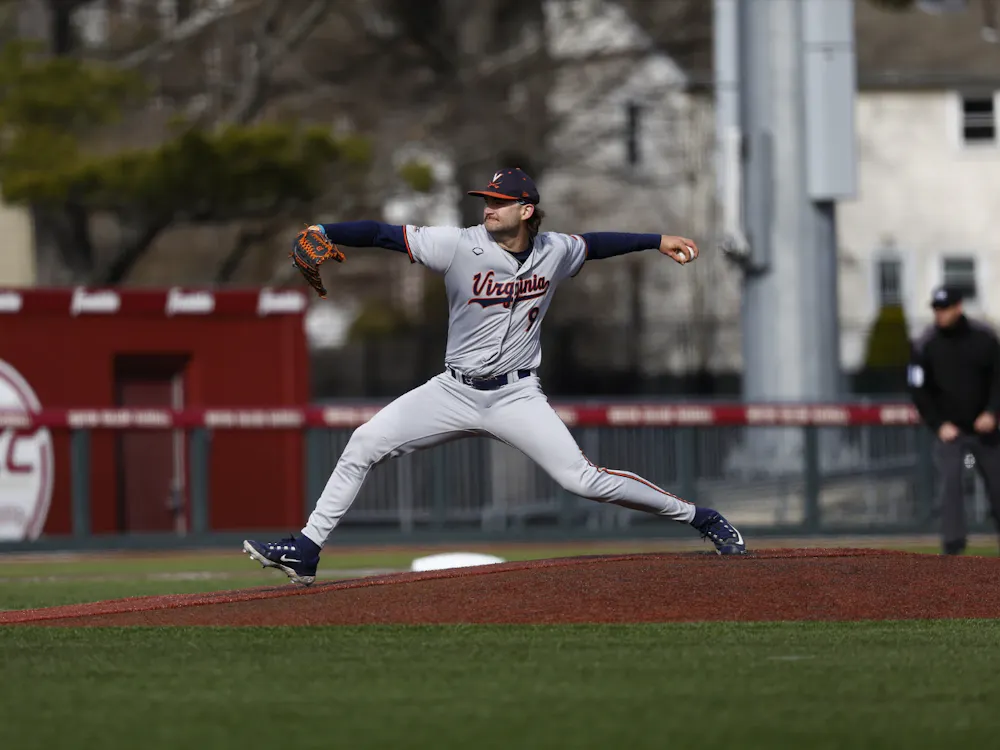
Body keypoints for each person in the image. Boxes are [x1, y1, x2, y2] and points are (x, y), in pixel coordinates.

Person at [243, 168, 748, 585]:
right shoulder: (458, 245)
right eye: (486, 199)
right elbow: (383, 234)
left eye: (500, 202)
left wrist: (656, 240)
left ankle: (700, 517)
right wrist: (326, 232)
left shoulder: (555, 250)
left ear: (526, 211)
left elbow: (595, 244)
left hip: (516, 396)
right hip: (453, 389)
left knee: (583, 479)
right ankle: (306, 550)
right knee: (363, 442)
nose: (488, 208)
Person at [908, 285, 1000, 555]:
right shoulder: (925, 343)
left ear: (959, 307)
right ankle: (953, 547)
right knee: (950, 483)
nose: (940, 314)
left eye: (945, 308)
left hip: (986, 430)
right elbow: (917, 389)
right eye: (936, 309)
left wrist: (992, 412)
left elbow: (999, 379)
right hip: (950, 432)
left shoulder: (984, 337)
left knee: (997, 486)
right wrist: (937, 424)